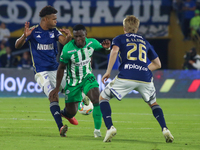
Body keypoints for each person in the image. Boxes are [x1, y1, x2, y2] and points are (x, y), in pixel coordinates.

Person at [99, 15, 174, 143]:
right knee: (153, 103)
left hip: (126, 75)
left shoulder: (119, 38)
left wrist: (108, 71)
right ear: (137, 28)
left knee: (103, 97)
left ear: (124, 28)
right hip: (145, 77)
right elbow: (158, 64)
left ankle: (110, 128)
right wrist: (142, 69)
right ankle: (165, 129)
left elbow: (114, 52)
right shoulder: (145, 41)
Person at [15, 5, 77, 137]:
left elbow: (65, 42)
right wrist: (23, 37)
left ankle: (66, 113)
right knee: (53, 96)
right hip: (42, 73)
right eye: (54, 19)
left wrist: (69, 36)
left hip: (56, 70)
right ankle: (61, 127)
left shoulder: (54, 32)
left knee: (74, 89)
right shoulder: (33, 31)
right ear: (46, 19)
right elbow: (17, 45)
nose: (56, 21)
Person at [49, 24, 111, 138]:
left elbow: (104, 51)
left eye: (81, 36)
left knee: (97, 98)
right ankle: (64, 113)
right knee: (71, 112)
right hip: (72, 83)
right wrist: (57, 88)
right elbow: (61, 68)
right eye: (76, 36)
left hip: (87, 77)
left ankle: (97, 131)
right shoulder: (68, 49)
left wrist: (107, 48)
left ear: (85, 35)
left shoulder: (92, 43)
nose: (78, 39)